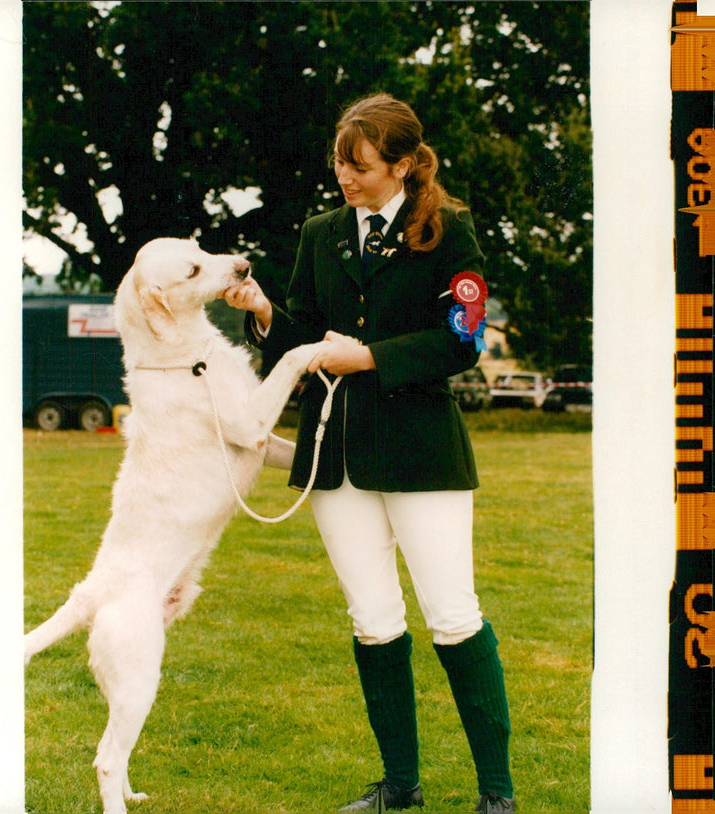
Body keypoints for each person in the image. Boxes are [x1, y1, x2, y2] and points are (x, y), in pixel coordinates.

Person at [223, 93, 515, 814]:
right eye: (339, 164)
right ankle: (400, 785)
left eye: (360, 167)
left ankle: (497, 794)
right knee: (373, 619)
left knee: (452, 616)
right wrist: (264, 313)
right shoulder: (320, 232)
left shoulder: (451, 231)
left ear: (405, 164)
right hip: (335, 460)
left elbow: (463, 341)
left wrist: (371, 358)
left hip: (422, 456)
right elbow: (303, 341)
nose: (345, 179)